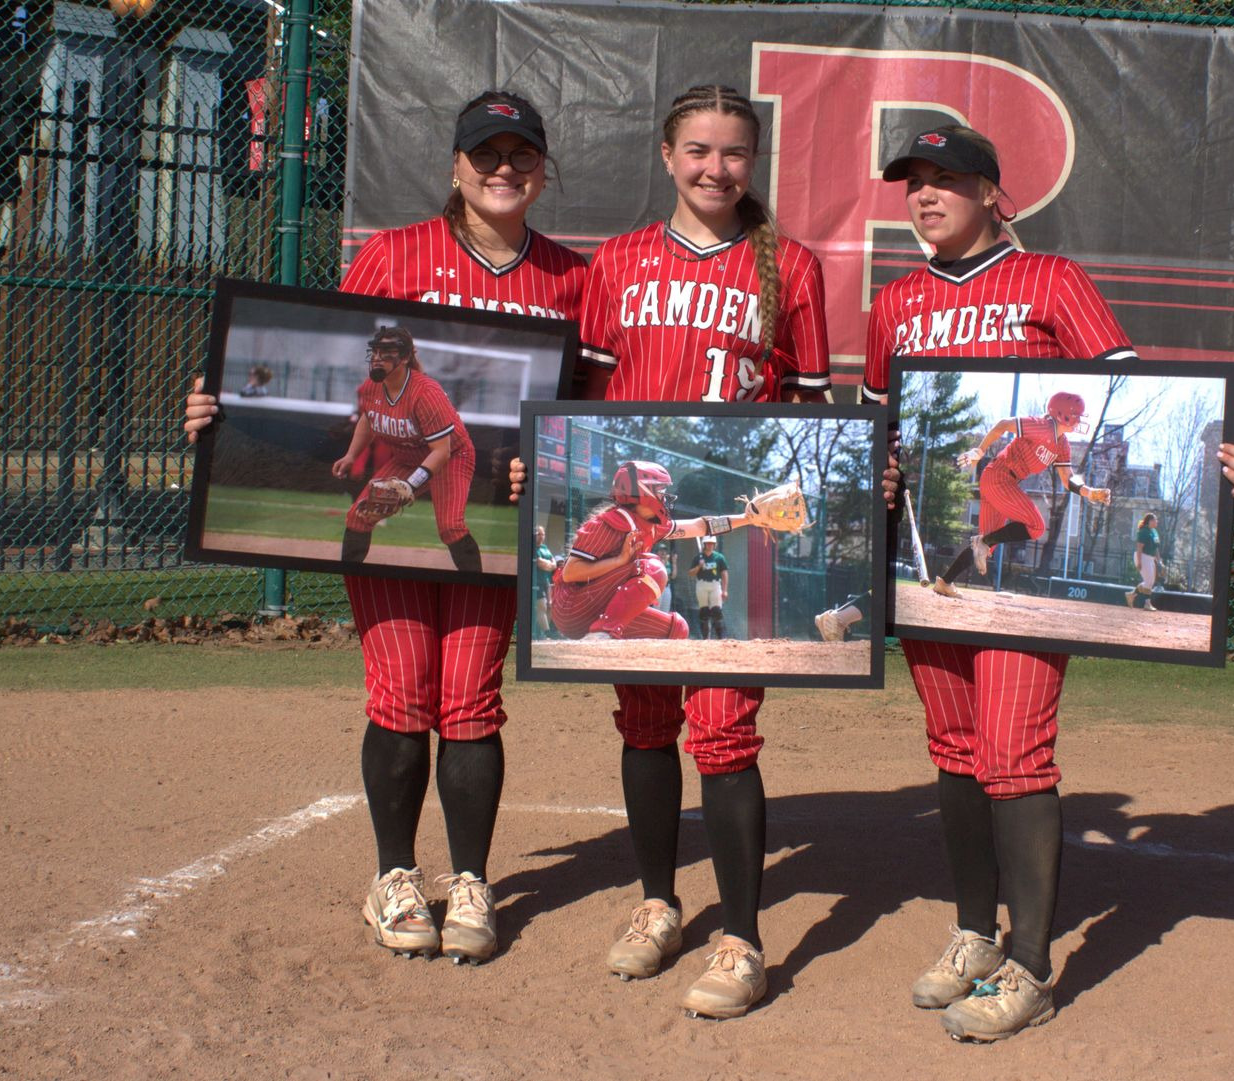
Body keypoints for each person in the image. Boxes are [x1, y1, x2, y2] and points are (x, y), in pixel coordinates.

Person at [859, 124, 1234, 1042]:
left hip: (1012, 567)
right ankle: (974, 931)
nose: (925, 194)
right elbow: (882, 424)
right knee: (954, 748)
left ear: (997, 194)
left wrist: (1214, 455)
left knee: (1010, 750)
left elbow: (1141, 387)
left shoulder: (1053, 281)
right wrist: (878, 470)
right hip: (923, 572)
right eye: (913, 180)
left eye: (947, 178)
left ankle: (1031, 965)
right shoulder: (898, 301)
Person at [185, 91, 585, 966]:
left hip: (471, 470)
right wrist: (226, 410)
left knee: (471, 696)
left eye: (522, 156)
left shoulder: (568, 276)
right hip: (403, 463)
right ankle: (396, 876)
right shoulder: (392, 255)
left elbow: (581, 410)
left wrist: (549, 466)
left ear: (543, 173)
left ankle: (472, 879)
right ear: (455, 168)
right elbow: (340, 376)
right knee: (403, 689)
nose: (503, 170)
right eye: (486, 155)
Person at [517, 84, 830, 1020]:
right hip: (637, 557)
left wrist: (784, 503)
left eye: (733, 153)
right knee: (646, 726)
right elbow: (579, 393)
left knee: (725, 729)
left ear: (754, 162)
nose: (715, 169)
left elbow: (811, 401)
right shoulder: (615, 264)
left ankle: (742, 937)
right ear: (666, 156)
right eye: (697, 150)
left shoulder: (795, 268)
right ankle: (658, 902)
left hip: (682, 539)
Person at [549, 460, 788, 644]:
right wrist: (622, 560)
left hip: (597, 610)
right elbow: (570, 573)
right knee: (652, 567)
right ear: (644, 492)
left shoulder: (653, 526)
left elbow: (700, 526)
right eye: (660, 490)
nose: (665, 497)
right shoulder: (607, 522)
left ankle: (606, 637)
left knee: (678, 628)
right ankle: (602, 634)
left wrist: (747, 518)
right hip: (572, 607)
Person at [330, 325, 481, 573]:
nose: (378, 357)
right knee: (359, 517)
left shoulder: (425, 393)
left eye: (387, 352)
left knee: (450, 528)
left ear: (405, 357)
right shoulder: (371, 387)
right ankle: (349, 577)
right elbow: (369, 419)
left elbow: (441, 452)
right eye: (376, 351)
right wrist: (351, 455)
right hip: (407, 457)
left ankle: (478, 585)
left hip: (451, 457)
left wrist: (410, 485)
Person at [929, 393, 1111, 598]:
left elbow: (1067, 478)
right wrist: (980, 450)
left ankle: (945, 582)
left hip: (1001, 481)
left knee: (986, 545)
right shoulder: (1043, 426)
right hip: (999, 476)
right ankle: (983, 543)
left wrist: (1089, 492)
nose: (1079, 420)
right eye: (1076, 415)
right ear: (1062, 415)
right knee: (1036, 526)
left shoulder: (1063, 444)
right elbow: (1003, 424)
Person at [690, 535, 730, 639]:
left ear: (715, 545)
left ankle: (721, 637)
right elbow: (691, 573)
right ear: (704, 544)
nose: (710, 545)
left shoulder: (719, 557)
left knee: (716, 611)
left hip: (715, 585)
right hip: (702, 584)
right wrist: (699, 566)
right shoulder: (698, 558)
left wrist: (725, 590)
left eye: (712, 543)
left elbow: (724, 573)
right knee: (704, 611)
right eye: (708, 543)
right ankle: (705, 638)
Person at [1128, 512, 1161, 611]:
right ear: (1150, 521)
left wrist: (1159, 561)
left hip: (1150, 558)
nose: (1157, 521)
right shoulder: (1143, 531)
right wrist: (1139, 562)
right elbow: (1139, 547)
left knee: (1150, 582)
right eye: (1155, 520)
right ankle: (1147, 603)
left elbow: (1156, 548)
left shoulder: (1154, 531)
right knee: (1149, 581)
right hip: (1142, 556)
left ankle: (1131, 594)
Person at [531, 525, 556, 639]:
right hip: (537, 582)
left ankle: (543, 631)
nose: (541, 537)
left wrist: (549, 565)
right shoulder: (533, 548)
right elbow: (540, 563)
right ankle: (546, 632)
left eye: (543, 534)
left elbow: (554, 564)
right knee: (542, 606)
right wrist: (549, 565)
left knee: (549, 606)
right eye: (538, 534)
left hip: (547, 581)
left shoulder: (545, 547)